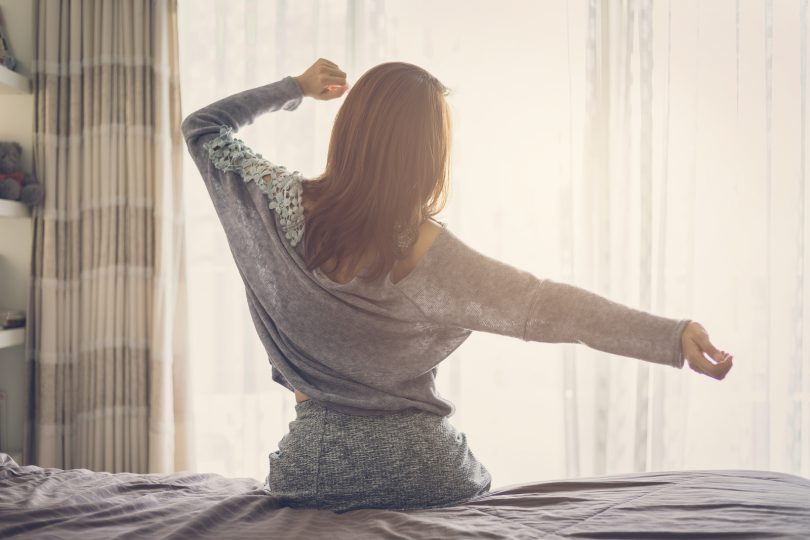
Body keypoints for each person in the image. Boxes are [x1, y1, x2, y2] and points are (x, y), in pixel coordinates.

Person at [180, 58, 733, 514]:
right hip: (428, 474)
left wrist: (295, 88)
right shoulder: (425, 250)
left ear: (349, 130)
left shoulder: (267, 200)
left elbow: (202, 128)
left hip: (310, 472)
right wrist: (671, 335)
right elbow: (546, 305)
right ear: (428, 156)